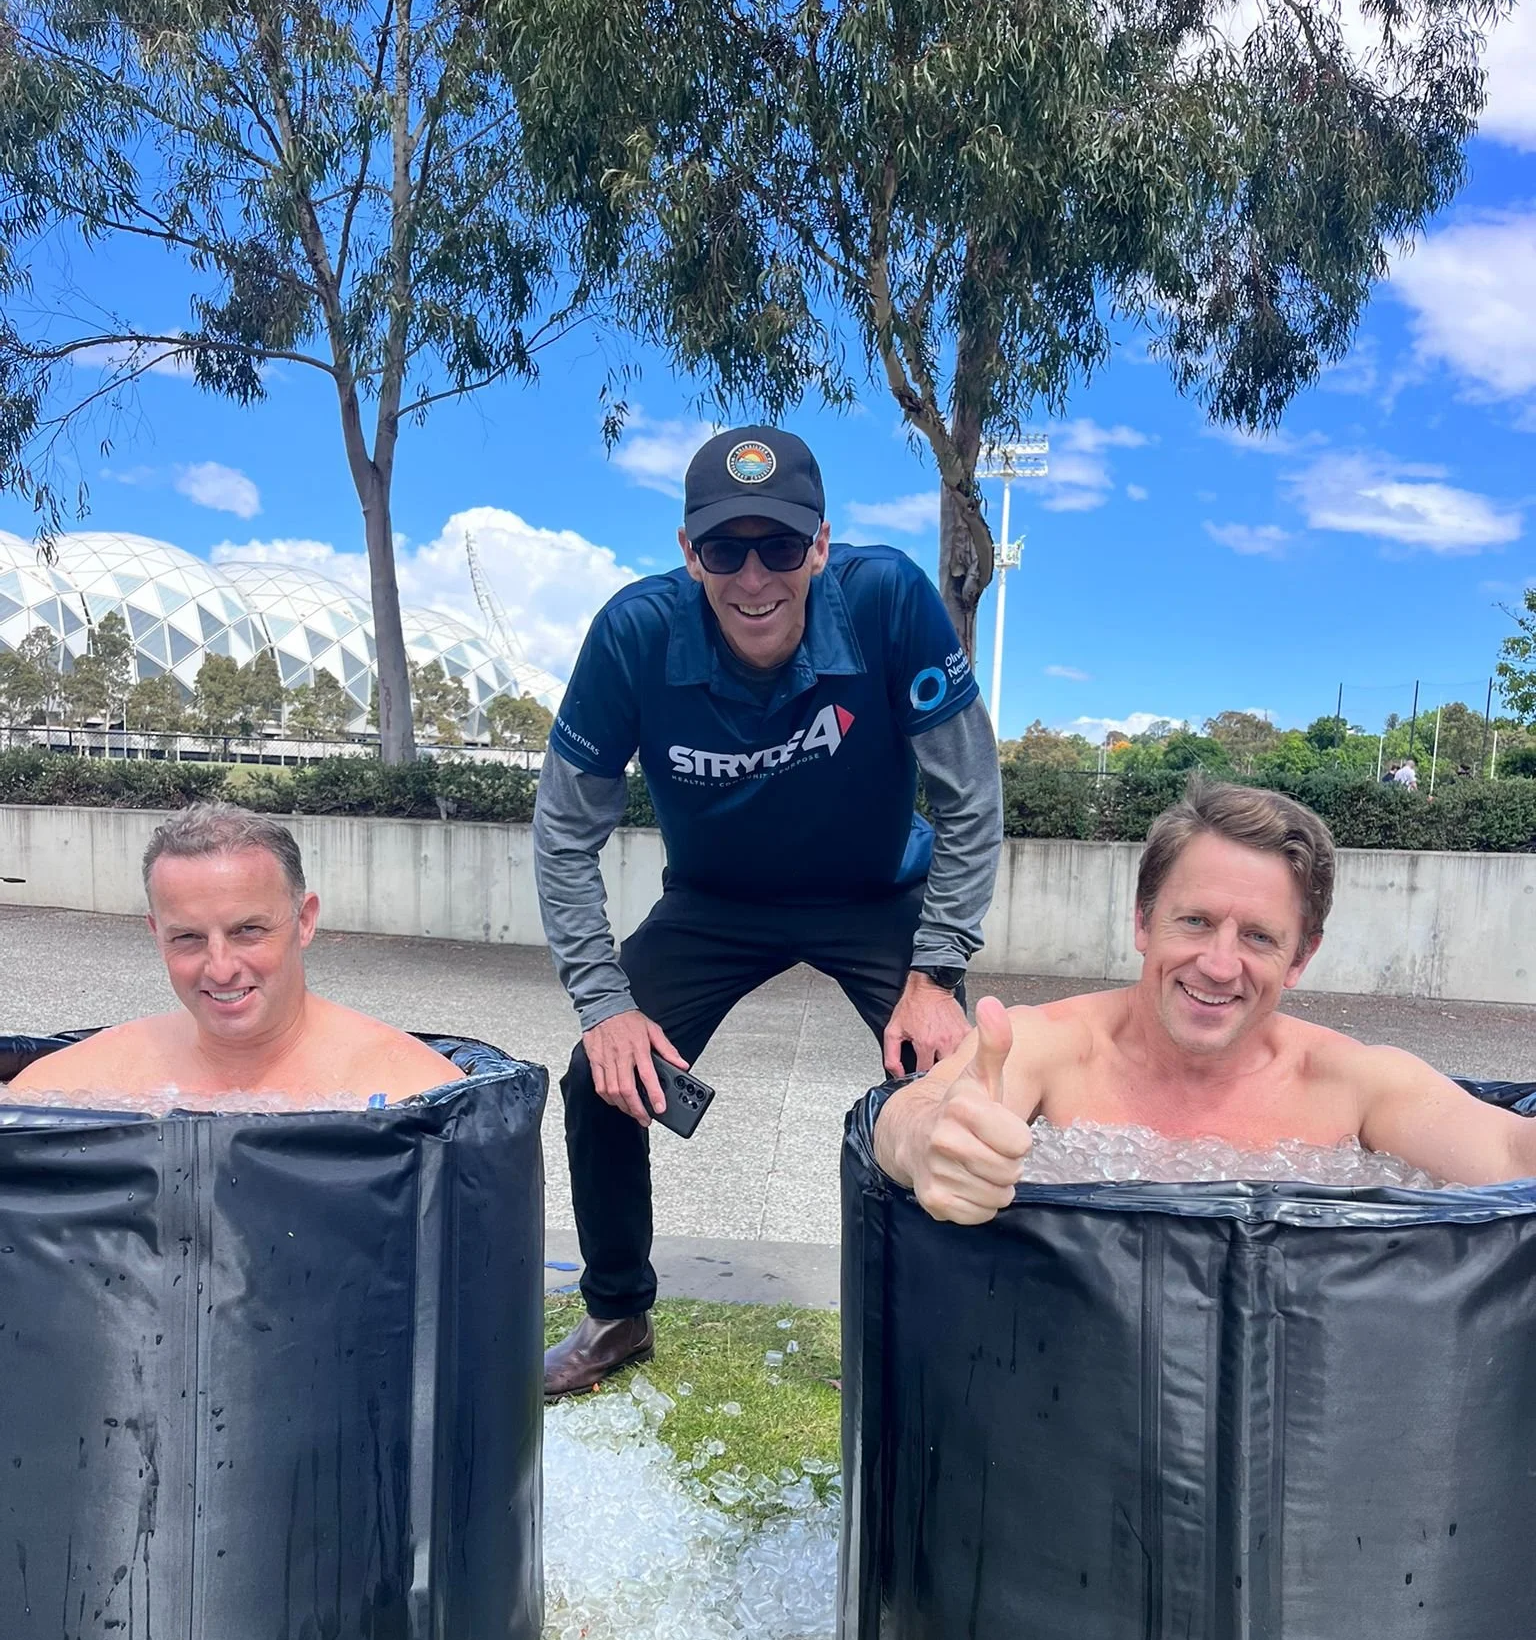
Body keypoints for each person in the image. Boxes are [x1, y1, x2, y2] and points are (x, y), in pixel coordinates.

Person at [536, 424, 1004, 1396]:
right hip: (717, 902)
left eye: (780, 548)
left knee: (959, 1083)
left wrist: (938, 970)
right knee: (596, 1075)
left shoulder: (888, 601)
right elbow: (563, 834)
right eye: (725, 549)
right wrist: (604, 1003)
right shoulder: (635, 634)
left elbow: (970, 793)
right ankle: (618, 1309)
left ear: (821, 547)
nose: (755, 577)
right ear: (687, 553)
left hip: (877, 895)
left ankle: (948, 1326)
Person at [876, 780, 1536, 1220]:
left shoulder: (1353, 1085)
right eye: (1194, 922)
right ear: (1142, 922)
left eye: (1257, 936)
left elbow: (1512, 1158)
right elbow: (914, 1113)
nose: (1219, 965)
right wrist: (932, 1143)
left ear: (1301, 957)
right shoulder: (1052, 1047)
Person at [6, 803, 462, 1107]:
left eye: (248, 930)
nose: (220, 968)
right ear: (156, 933)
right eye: (187, 937)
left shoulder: (418, 1093)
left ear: (304, 921)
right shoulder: (75, 1088)